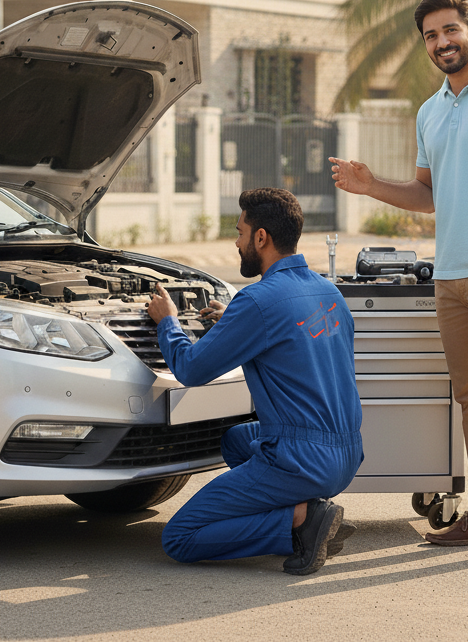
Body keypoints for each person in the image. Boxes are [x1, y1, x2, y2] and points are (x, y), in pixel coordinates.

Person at [330, 0, 468, 563]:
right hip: (450, 276)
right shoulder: (431, 110)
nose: (441, 42)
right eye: (430, 35)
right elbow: (428, 195)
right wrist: (370, 184)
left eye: (450, 30)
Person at [145, 187, 363, 575]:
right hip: (347, 451)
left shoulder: (259, 301)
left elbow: (191, 369)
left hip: (302, 459)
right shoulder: (328, 292)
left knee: (179, 537)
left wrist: (168, 323)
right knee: (236, 439)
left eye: (240, 231)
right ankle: (298, 511)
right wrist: (233, 320)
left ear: (261, 237)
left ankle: (301, 519)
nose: (236, 240)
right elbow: (289, 334)